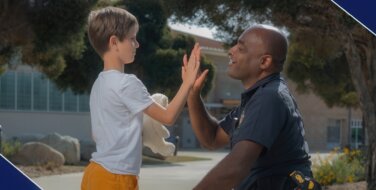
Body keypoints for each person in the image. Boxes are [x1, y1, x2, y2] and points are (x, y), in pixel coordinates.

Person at [81, 6, 201, 190]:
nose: (137, 44)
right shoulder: (127, 83)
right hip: (116, 178)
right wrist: (187, 83)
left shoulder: (99, 84)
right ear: (114, 42)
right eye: (132, 39)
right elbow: (168, 116)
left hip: (94, 174)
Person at [186, 25, 313, 190]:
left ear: (264, 61)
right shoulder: (259, 97)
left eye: (241, 48)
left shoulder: (269, 98)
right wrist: (193, 94)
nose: (231, 51)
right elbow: (212, 138)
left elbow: (234, 169)